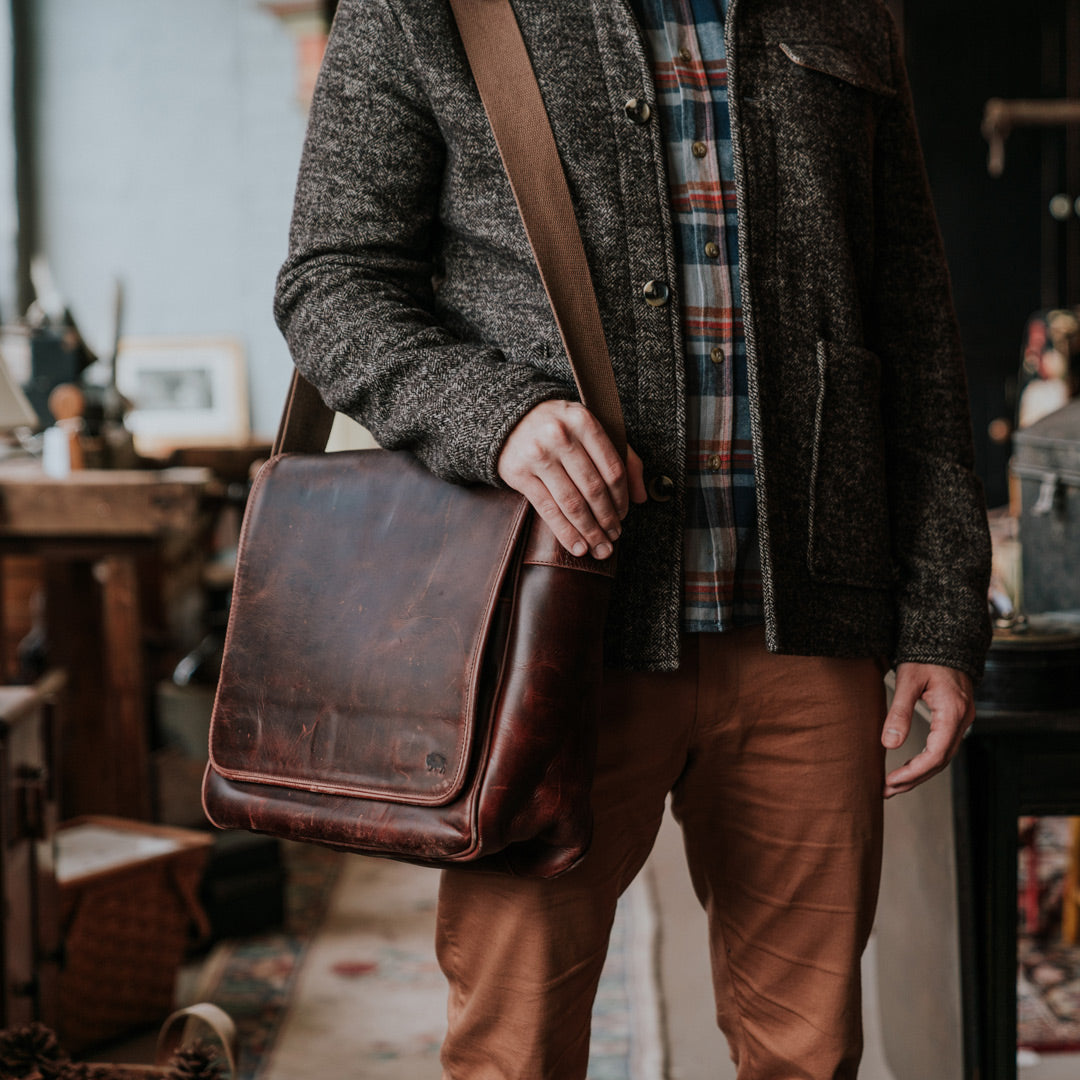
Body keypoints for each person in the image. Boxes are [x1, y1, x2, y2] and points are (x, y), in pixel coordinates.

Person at [273, 0, 993, 1076]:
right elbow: (331, 285)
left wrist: (942, 612)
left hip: (809, 630)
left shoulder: (849, 12)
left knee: (810, 1053)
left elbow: (917, 327)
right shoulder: (424, 8)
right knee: (514, 1048)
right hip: (546, 635)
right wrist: (498, 417)